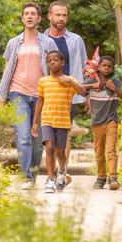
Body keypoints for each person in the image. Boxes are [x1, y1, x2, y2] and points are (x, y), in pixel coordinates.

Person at [0, 1, 48, 182]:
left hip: (41, 96)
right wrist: (2, 97)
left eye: (33, 13)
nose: (29, 16)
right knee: (23, 135)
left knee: (37, 142)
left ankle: (33, 171)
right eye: (26, 14)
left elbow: (54, 69)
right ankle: (26, 176)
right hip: (18, 94)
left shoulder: (47, 42)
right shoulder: (13, 43)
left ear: (39, 18)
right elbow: (7, 70)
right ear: (22, 18)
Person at [35, 2, 87, 126]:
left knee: (64, 132)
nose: (61, 18)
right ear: (49, 16)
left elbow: (86, 67)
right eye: (58, 15)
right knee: (46, 134)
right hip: (47, 93)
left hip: (67, 94)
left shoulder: (76, 40)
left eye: (64, 15)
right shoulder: (39, 40)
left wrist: (88, 96)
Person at [36, 49, 81, 193]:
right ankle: (50, 179)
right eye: (49, 60)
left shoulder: (69, 80)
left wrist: (68, 80)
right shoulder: (43, 81)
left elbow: (82, 92)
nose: (52, 62)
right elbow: (40, 101)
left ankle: (62, 171)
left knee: (60, 152)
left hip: (62, 121)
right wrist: (35, 122)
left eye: (55, 60)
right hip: (47, 119)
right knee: (49, 147)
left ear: (62, 62)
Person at [83, 55, 122, 190]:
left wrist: (114, 88)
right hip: (96, 122)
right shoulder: (92, 79)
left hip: (111, 120)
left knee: (111, 150)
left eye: (109, 66)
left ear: (113, 68)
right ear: (98, 67)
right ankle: (101, 178)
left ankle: (113, 178)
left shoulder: (115, 81)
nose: (106, 68)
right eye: (104, 66)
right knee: (99, 151)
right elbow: (78, 89)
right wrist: (93, 85)